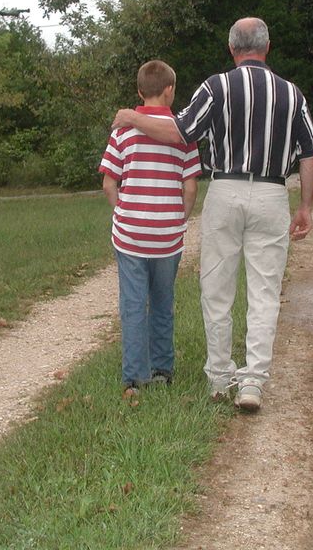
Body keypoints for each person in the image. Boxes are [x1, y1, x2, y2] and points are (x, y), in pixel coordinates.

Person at [112, 17, 313, 412]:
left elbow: (181, 131)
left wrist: (133, 117)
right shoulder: (293, 95)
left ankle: (220, 379)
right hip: (273, 193)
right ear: (267, 47)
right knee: (263, 292)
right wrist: (306, 206)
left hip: (225, 190)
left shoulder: (216, 87)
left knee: (217, 289)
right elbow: (309, 152)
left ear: (232, 49)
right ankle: (253, 382)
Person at [100, 60, 201, 396]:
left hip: (130, 234)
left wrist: (123, 211)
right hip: (167, 236)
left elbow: (108, 182)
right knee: (162, 301)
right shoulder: (182, 131)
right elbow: (190, 188)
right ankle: (163, 368)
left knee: (133, 303)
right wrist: (179, 218)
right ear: (170, 90)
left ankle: (134, 378)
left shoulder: (123, 130)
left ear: (140, 91)